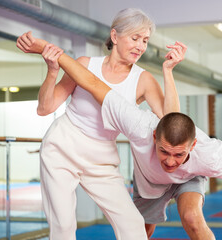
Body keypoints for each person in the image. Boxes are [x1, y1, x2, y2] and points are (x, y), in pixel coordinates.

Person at [16, 33, 222, 240]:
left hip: (178, 174)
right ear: (153, 136)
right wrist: (48, 50)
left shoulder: (208, 154)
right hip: (140, 176)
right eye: (135, 38)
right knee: (133, 228)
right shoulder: (137, 123)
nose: (171, 160)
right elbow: (92, 83)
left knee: (188, 219)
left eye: (145, 40)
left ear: (191, 146)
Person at [17, 8, 187, 240]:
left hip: (102, 158)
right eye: (135, 38)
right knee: (64, 226)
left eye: (145, 40)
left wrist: (168, 72)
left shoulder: (143, 79)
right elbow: (44, 108)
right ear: (115, 37)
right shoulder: (85, 64)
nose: (140, 46)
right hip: (61, 148)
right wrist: (52, 70)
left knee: (133, 224)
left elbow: (173, 123)